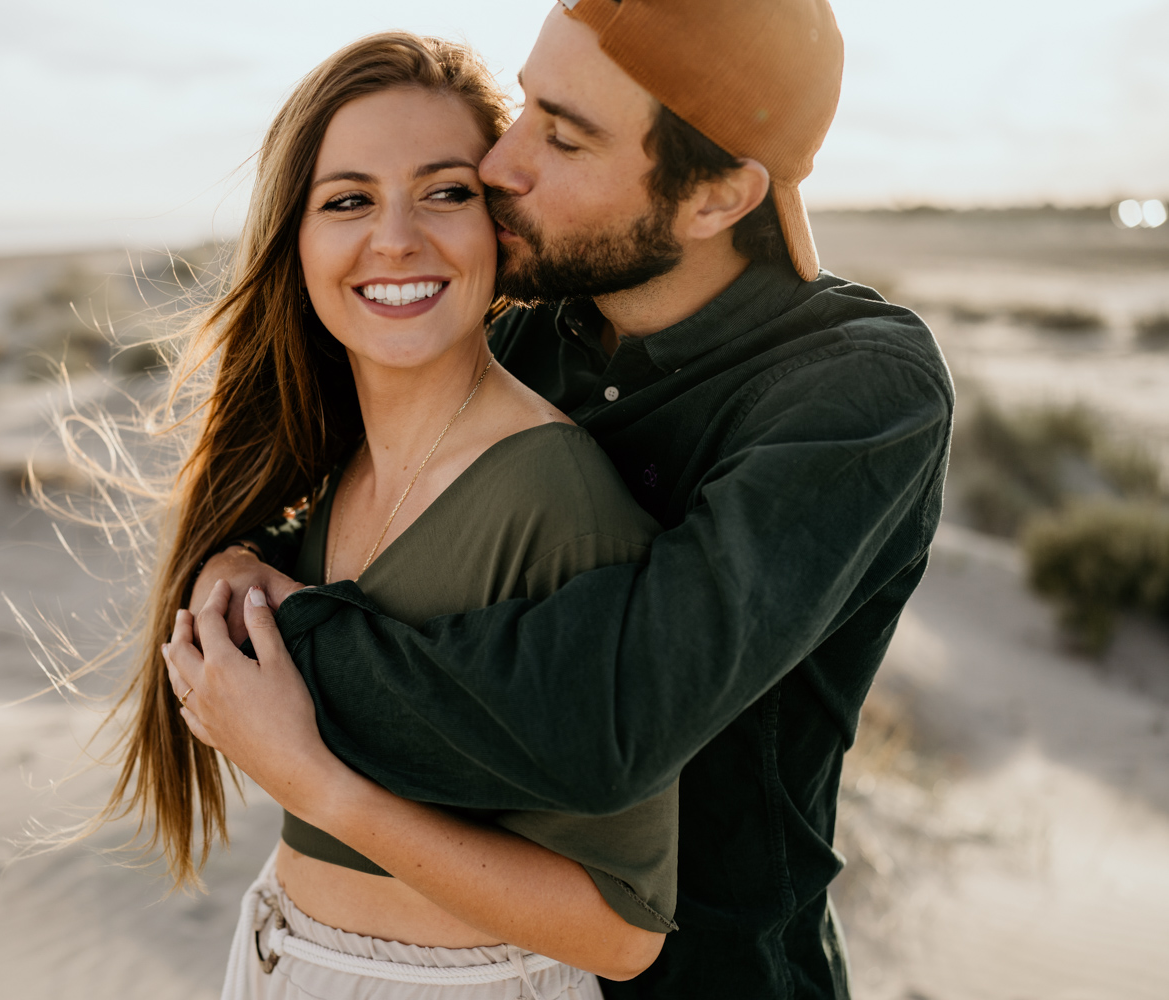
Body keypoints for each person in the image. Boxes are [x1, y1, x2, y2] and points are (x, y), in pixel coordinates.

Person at [179, 1, 955, 998]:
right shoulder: (529, 334)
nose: (502, 161)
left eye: (564, 135)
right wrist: (247, 560)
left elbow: (609, 718)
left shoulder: (854, 391)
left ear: (718, 194)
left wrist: (277, 652)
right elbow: (390, 526)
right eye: (527, 105)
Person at [124, 31, 689, 1000]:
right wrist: (228, 560)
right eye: (348, 200)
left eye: (445, 191)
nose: (395, 238)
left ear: (498, 226)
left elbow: (622, 930)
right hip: (277, 956)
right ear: (295, 240)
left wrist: (314, 783)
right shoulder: (330, 470)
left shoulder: (555, 497)